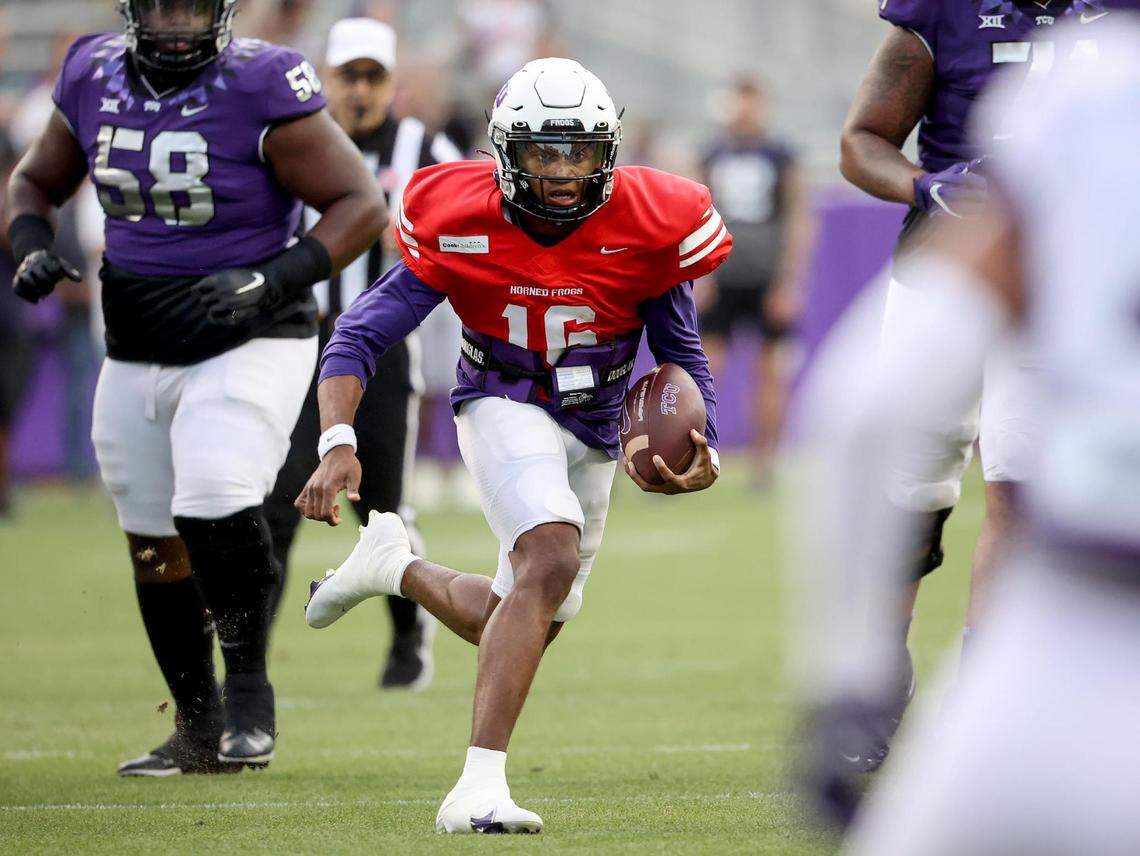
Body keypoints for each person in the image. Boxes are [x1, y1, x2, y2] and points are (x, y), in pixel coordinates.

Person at [297, 58, 729, 833]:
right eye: (542, 153)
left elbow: (680, 356)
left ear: (610, 152)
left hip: (596, 425)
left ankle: (391, 565)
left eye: (581, 153)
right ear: (504, 152)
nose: (564, 174)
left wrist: (703, 446)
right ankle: (476, 790)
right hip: (501, 397)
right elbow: (360, 333)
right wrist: (337, 440)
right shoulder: (460, 216)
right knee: (551, 557)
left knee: (516, 613)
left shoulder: (647, 222)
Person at [6, 0, 385, 775]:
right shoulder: (90, 72)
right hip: (138, 342)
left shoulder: (261, 82)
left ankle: (248, 693)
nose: (178, 25)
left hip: (253, 332)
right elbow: (34, 181)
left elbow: (362, 203)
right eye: (162, 7)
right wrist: (30, 242)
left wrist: (273, 275)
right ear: (133, 9)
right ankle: (196, 724)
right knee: (151, 539)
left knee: (213, 494)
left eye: (192, 7)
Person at [804, 16, 1140, 851]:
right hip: (1086, 586)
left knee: (1014, 490)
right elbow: (863, 140)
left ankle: (935, 687)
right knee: (931, 490)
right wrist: (929, 189)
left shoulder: (1092, 90)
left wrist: (837, 675)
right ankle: (916, 673)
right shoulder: (1059, 64)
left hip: (1085, 605)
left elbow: (860, 416)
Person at [264, 17, 461, 691]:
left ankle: (409, 638)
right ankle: (248, 667)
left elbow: (470, 217)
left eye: (373, 77)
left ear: (391, 83)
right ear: (326, 77)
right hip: (295, 342)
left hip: (378, 351)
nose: (359, 90)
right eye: (349, 75)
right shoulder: (288, 142)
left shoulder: (423, 145)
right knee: (273, 504)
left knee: (379, 511)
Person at [699, 77, 812, 485]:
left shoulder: (780, 156)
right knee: (705, 369)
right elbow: (695, 212)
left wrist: (788, 281)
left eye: (750, 102)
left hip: (766, 277)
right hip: (722, 274)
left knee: (769, 372)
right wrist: (701, 276)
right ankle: (689, 455)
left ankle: (764, 462)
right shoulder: (712, 153)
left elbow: (798, 217)